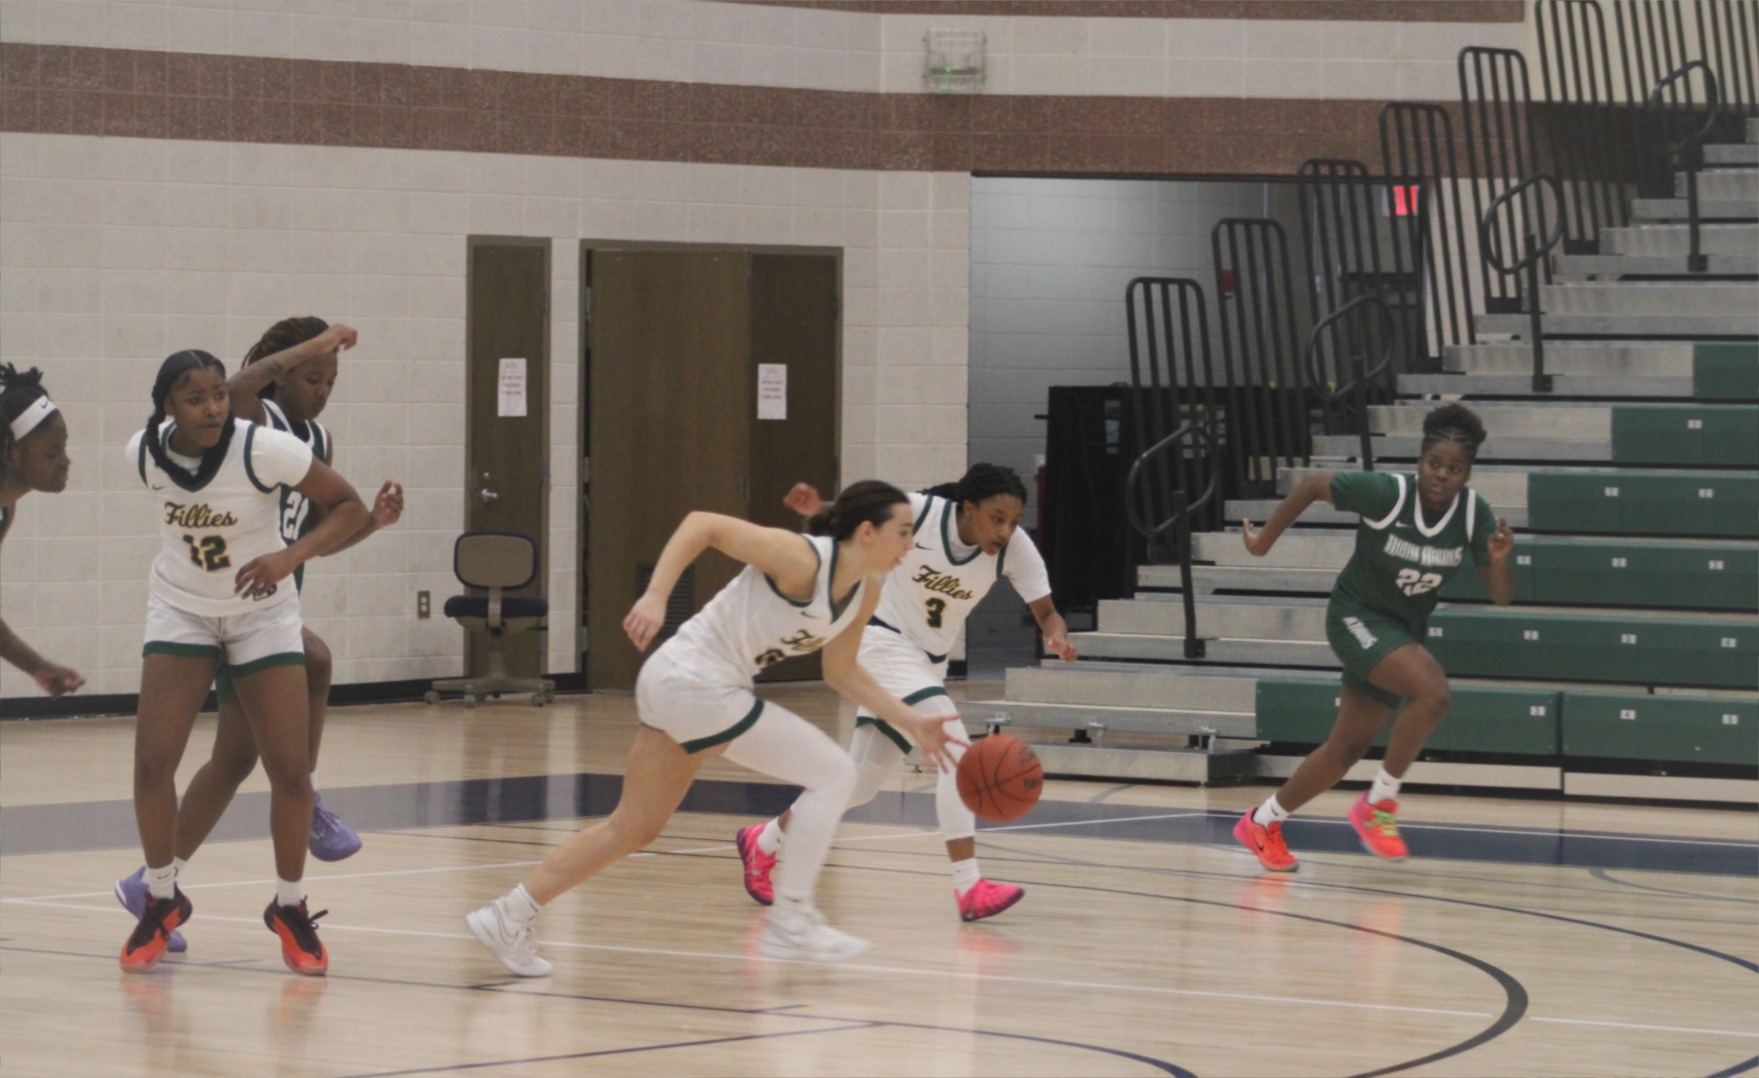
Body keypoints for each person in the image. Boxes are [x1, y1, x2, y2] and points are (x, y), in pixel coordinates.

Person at [467, 481, 959, 974]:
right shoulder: (802, 559)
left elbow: (842, 671)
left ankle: (507, 916)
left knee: (631, 828)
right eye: (903, 531)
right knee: (835, 774)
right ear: (868, 533)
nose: (910, 544)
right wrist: (656, 596)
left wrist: (912, 719)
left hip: (685, 690)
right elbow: (703, 523)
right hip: (692, 682)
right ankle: (791, 919)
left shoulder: (865, 591)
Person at [115, 318, 403, 954]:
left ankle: (289, 902)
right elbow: (246, 381)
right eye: (198, 398)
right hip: (184, 609)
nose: (215, 405)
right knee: (155, 762)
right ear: (168, 407)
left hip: (260, 609)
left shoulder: (281, 444)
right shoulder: (146, 451)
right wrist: (318, 340)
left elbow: (337, 517)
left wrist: (295, 555)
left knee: (273, 763)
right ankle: (158, 893)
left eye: (219, 394)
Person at [738, 464, 1077, 922]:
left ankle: (763, 842)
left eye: (1013, 521)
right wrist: (818, 508)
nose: (1006, 529)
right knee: (954, 746)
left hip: (925, 664)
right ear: (969, 507)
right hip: (880, 640)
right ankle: (968, 885)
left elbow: (1047, 612)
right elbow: (859, 515)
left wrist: (1056, 635)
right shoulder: (920, 512)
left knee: (856, 786)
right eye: (996, 518)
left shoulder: (1014, 550)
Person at [1232, 404, 1514, 871]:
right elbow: (1310, 486)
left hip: (1399, 632)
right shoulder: (1387, 494)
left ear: (1468, 473)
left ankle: (1263, 821)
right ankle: (1379, 804)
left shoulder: (1472, 515)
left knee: (1346, 748)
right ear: (1419, 461)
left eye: (1454, 469)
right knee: (1433, 692)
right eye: (1433, 465)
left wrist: (1500, 560)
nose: (1441, 476)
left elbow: (1501, 598)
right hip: (1356, 616)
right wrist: (1262, 543)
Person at [0, 364, 83, 697]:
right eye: (52, 453)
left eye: (62, 448)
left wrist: (37, 666)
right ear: (10, 453)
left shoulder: (6, 507)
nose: (66, 461)